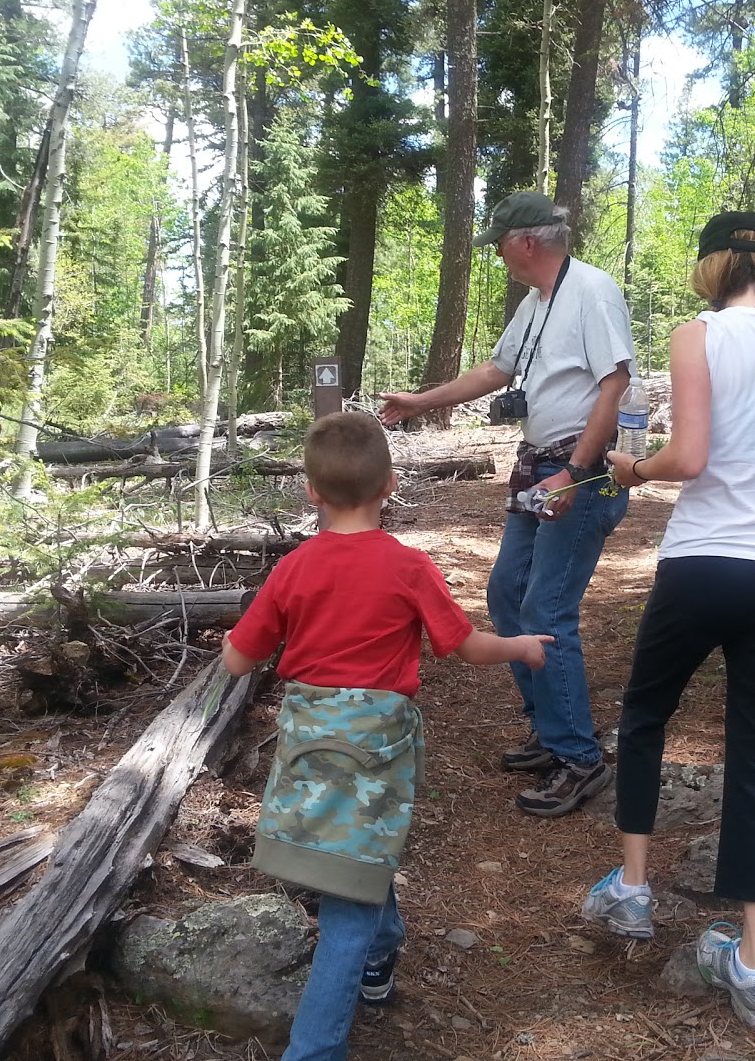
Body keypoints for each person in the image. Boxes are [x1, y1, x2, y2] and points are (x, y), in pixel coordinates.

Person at [578, 212, 755, 1030]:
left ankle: (632, 890)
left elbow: (687, 459)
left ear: (715, 266)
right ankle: (754, 967)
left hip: (699, 562)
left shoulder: (697, 337)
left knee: (647, 714)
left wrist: (633, 468)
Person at [221, 411, 551, 1061]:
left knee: (344, 863)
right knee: (353, 880)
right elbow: (462, 644)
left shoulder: (293, 570)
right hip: (376, 744)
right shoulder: (407, 567)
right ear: (391, 484)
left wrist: (243, 641)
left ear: (312, 492)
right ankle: (313, 1049)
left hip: (310, 740)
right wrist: (519, 646)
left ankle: (377, 955)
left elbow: (239, 659)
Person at [379, 192, 635, 818]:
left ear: (525, 242)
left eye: (499, 243)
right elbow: (497, 371)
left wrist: (575, 474)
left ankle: (580, 758)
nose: (497, 254)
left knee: (547, 605)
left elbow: (616, 387)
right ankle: (550, 730)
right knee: (504, 595)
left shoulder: (592, 292)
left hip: (578, 469)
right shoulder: (536, 300)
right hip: (538, 464)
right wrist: (421, 400)